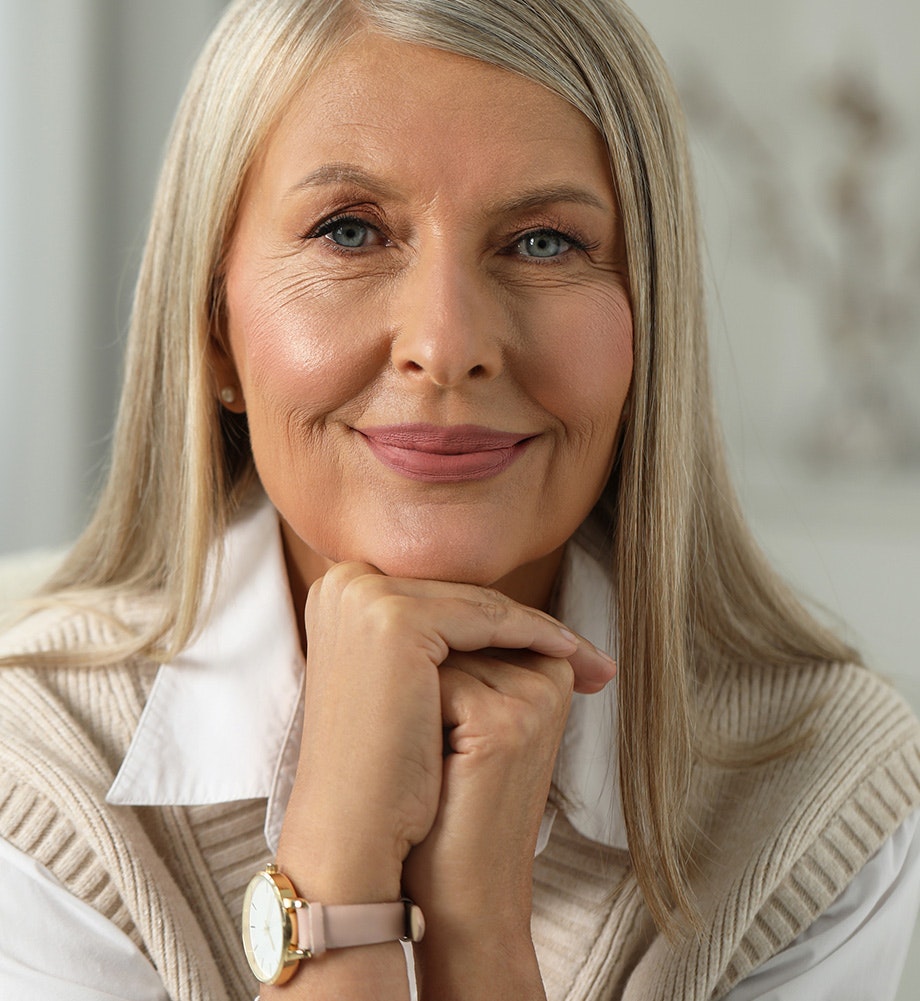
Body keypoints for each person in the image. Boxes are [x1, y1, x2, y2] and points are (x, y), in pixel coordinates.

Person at [1, 1, 919, 999]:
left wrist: (476, 925)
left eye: (540, 242)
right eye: (348, 231)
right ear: (215, 332)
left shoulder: (820, 783)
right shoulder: (34, 765)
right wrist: (339, 862)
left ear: (645, 326)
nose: (445, 343)